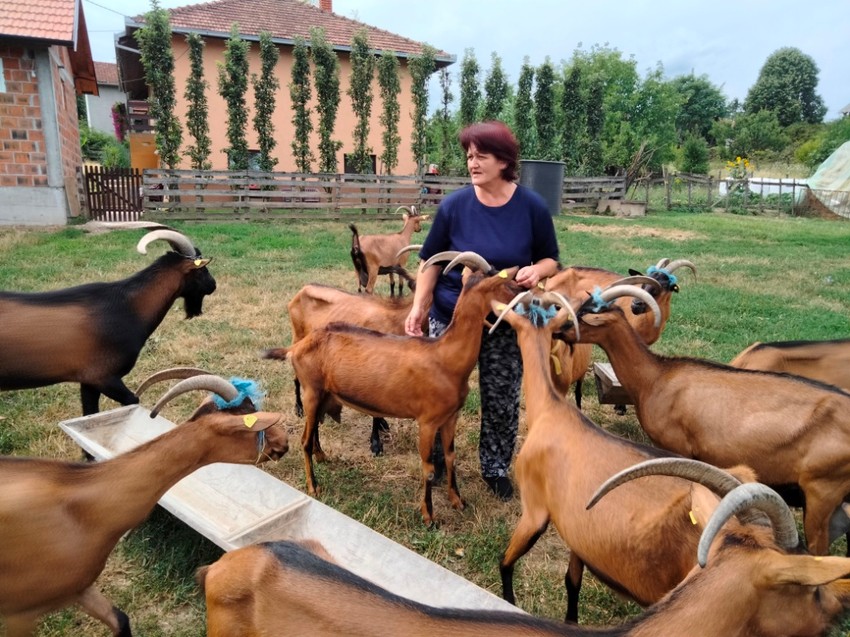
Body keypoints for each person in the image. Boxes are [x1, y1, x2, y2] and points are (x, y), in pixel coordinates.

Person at [404, 121, 560, 500]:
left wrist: (537, 270)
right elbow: (430, 261)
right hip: (453, 316)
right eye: (469, 156)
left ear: (504, 161)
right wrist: (419, 305)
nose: (473, 163)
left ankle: (494, 466)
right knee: (441, 390)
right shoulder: (455, 205)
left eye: (481, 156)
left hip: (505, 320)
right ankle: (437, 459)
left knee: (502, 394)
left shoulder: (531, 207)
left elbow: (551, 259)